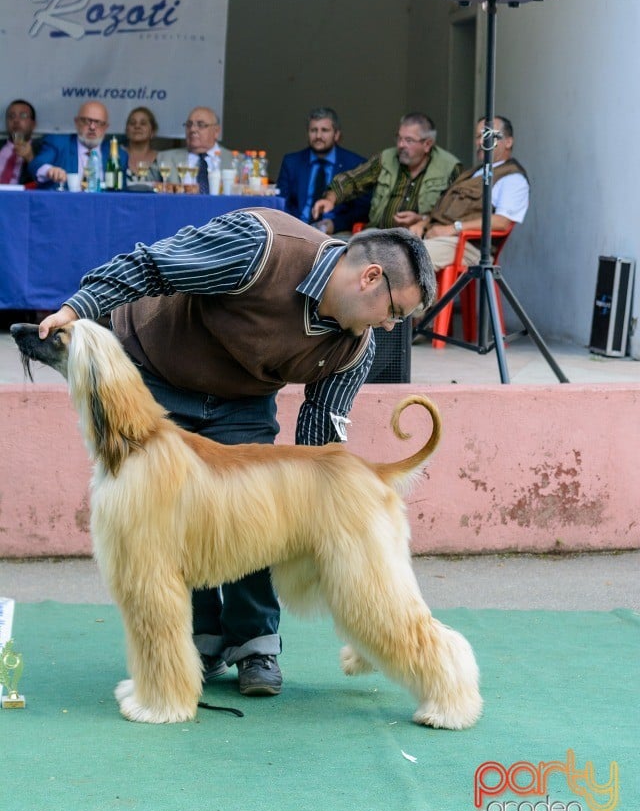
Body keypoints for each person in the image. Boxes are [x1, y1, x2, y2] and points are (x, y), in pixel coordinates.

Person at [38, 208, 434, 698]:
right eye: (395, 312)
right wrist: (76, 310)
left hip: (242, 400)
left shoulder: (356, 349)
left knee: (252, 518)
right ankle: (198, 647)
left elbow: (316, 448)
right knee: (169, 536)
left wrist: (325, 514)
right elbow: (151, 265)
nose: (392, 326)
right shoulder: (261, 246)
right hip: (159, 374)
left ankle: (255, 646)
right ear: (371, 277)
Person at [407, 116, 529, 271]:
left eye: (487, 135)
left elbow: (501, 222)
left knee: (406, 259)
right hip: (438, 237)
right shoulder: (473, 173)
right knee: (383, 249)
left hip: (468, 246)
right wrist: (423, 222)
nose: (480, 142)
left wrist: (454, 228)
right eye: (478, 137)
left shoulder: (513, 178)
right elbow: (446, 208)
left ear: (508, 142)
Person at [312, 112, 462, 232]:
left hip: (421, 240)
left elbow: (456, 211)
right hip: (378, 235)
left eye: (409, 140)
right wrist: (330, 198)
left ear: (427, 144)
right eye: (399, 138)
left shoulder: (449, 167)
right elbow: (353, 180)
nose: (401, 145)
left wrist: (423, 219)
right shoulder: (386, 158)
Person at [276, 107, 371, 231]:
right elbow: (281, 203)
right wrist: (295, 226)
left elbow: (363, 209)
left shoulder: (355, 163)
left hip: (337, 233)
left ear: (336, 134)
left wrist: (335, 224)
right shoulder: (292, 162)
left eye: (324, 130)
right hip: (297, 230)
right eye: (313, 130)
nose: (318, 136)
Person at [29, 100, 127, 189]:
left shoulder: (119, 155)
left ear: (106, 127)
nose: (92, 127)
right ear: (77, 122)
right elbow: (36, 165)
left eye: (98, 123)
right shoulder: (58, 143)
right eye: (87, 121)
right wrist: (49, 170)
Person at [157, 106, 234, 191]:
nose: (192, 129)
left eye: (201, 125)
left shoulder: (237, 161)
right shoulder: (164, 158)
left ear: (216, 131)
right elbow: (145, 187)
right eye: (189, 125)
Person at [0, 99, 41, 185]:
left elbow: (44, 181)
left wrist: (30, 159)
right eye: (11, 116)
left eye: (23, 115)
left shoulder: (42, 149)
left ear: (33, 124)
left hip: (20, 197)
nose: (16, 120)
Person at [124, 106, 160, 184]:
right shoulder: (115, 156)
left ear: (153, 131)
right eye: (133, 123)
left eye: (143, 123)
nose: (137, 126)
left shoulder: (161, 159)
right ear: (127, 130)